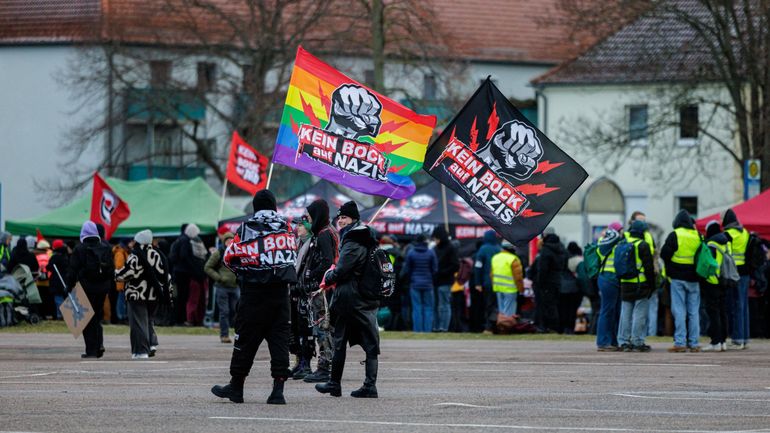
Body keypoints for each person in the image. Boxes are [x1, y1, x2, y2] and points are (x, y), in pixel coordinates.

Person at [211, 189, 296, 405]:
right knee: (279, 342)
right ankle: (278, 391)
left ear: (255, 207)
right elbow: (291, 256)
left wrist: (244, 269)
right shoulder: (288, 228)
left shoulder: (247, 228)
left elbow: (230, 257)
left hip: (253, 294)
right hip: (280, 295)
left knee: (245, 340)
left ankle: (236, 387)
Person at [316, 201, 380, 398]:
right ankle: (344, 384)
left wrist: (329, 277)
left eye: (344, 217)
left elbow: (344, 269)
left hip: (351, 297)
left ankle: (347, 385)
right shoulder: (363, 237)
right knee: (365, 341)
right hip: (362, 295)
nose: (340, 221)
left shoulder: (353, 239)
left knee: (344, 339)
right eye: (339, 218)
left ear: (353, 219)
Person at [299, 199, 339, 384]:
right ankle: (327, 364)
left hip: (322, 288)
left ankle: (324, 366)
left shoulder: (324, 234)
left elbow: (327, 261)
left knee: (322, 326)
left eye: (309, 215)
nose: (307, 218)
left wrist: (311, 275)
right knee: (325, 326)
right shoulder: (329, 231)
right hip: (327, 286)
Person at [115, 230, 170, 359]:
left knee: (138, 323)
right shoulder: (158, 254)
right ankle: (152, 344)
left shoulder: (136, 255)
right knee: (148, 321)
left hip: (137, 294)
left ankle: (141, 351)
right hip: (154, 295)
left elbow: (129, 273)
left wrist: (116, 274)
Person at [66, 221, 114, 358]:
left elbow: (72, 270)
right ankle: (99, 345)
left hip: (86, 287)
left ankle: (91, 350)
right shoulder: (106, 247)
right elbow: (111, 268)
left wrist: (69, 287)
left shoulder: (79, 249)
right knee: (97, 316)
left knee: (87, 319)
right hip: (103, 287)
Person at [661, 210, 701, 352]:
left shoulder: (675, 235)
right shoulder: (697, 235)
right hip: (694, 279)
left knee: (679, 310)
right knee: (694, 311)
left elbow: (664, 254)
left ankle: (680, 343)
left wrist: (671, 267)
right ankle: (694, 343)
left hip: (677, 278)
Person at [617, 221, 655, 352]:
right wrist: (652, 285)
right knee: (639, 313)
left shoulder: (622, 243)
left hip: (625, 283)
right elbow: (649, 268)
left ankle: (623, 341)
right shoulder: (642, 245)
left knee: (625, 313)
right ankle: (637, 341)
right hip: (640, 283)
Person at [722, 209, 751, 349]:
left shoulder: (727, 234)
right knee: (744, 306)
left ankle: (737, 339)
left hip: (734, 273)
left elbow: (726, 254)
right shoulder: (744, 232)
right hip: (745, 272)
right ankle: (745, 338)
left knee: (736, 306)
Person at [204, 231, 239, 343]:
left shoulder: (237, 252)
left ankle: (238, 335)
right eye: (227, 240)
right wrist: (219, 277)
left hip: (235, 287)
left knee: (236, 312)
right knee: (224, 312)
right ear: (224, 242)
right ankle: (224, 335)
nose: (229, 242)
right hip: (222, 287)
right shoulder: (219, 253)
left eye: (231, 240)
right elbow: (207, 267)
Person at [700, 221, 730, 352]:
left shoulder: (710, 244)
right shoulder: (726, 242)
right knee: (723, 311)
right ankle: (723, 341)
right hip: (724, 280)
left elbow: (707, 264)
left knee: (713, 313)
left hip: (712, 281)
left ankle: (715, 341)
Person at [595, 222, 623, 351]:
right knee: (607, 311)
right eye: (620, 230)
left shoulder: (603, 240)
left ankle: (612, 341)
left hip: (608, 279)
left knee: (612, 311)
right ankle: (603, 342)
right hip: (609, 278)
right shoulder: (610, 242)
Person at [402, 234, 438, 333]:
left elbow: (407, 269)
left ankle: (417, 330)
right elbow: (435, 269)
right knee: (428, 307)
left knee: (417, 308)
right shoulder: (431, 253)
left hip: (415, 284)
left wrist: (412, 279)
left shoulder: (411, 253)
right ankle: (427, 330)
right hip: (428, 284)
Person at [534, 228, 566, 333]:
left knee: (546, 305)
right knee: (554, 304)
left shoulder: (546, 250)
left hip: (547, 282)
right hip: (558, 280)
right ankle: (555, 326)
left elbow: (543, 269)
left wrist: (539, 281)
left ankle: (547, 326)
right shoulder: (561, 249)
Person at [473, 230, 501, 334]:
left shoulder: (483, 250)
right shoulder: (499, 249)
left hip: (487, 282)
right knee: (498, 305)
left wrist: (478, 283)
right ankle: (498, 325)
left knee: (488, 305)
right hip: (499, 283)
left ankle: (489, 327)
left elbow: (478, 267)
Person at [490, 240, 524, 324]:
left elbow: (491, 274)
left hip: (498, 288)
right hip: (510, 289)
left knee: (502, 312)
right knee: (509, 312)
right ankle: (507, 328)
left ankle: (501, 327)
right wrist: (521, 289)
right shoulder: (513, 259)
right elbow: (518, 277)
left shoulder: (495, 257)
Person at [432, 226, 458, 332]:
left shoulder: (450, 248)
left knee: (444, 305)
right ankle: (436, 327)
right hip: (436, 281)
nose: (434, 240)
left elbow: (456, 265)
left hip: (445, 281)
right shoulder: (435, 249)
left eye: (436, 238)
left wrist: (442, 272)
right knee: (436, 305)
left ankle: (444, 327)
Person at [559, 242, 584, 334]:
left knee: (563, 309)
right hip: (574, 288)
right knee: (572, 310)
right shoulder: (578, 260)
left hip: (562, 288)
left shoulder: (562, 259)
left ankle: (563, 328)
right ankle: (570, 328)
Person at [168, 224, 191, 325]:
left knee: (176, 297)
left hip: (176, 272)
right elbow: (184, 255)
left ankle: (175, 319)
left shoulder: (177, 240)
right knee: (182, 297)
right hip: (183, 273)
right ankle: (180, 320)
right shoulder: (185, 240)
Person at [47, 239, 70, 320]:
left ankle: (60, 315)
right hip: (66, 279)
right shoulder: (66, 256)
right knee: (65, 297)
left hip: (56, 280)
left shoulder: (55, 257)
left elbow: (49, 267)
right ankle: (66, 314)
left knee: (58, 298)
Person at [112, 239, 130, 324]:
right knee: (121, 300)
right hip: (122, 281)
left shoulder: (123, 252)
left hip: (123, 280)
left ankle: (122, 316)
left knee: (121, 300)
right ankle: (121, 317)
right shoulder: (120, 253)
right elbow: (119, 266)